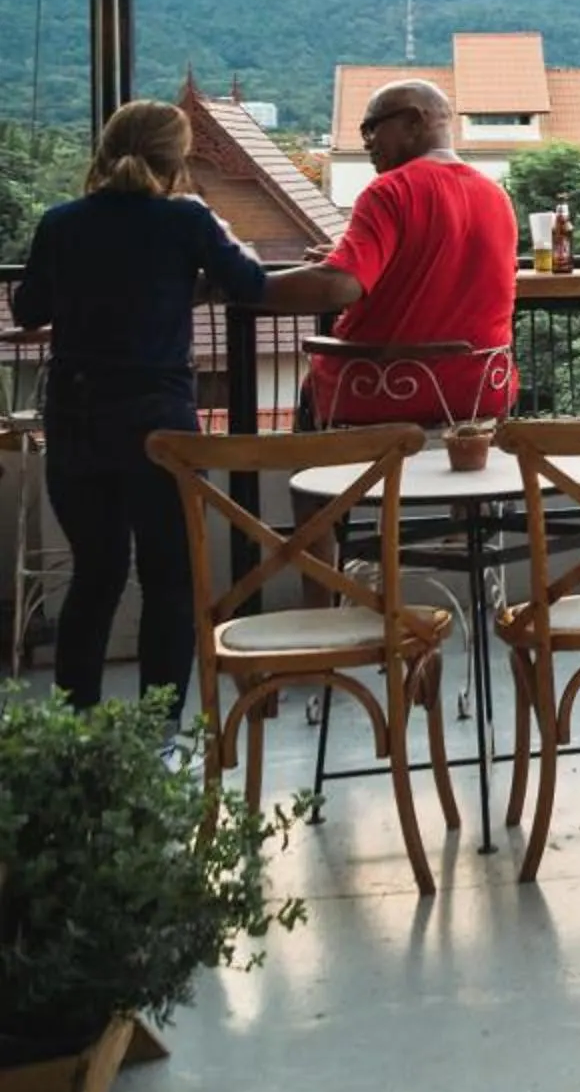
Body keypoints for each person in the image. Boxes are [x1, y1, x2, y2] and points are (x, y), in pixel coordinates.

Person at [8, 102, 356, 715]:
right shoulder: (186, 221)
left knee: (95, 576)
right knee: (169, 578)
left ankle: (79, 736)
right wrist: (201, 268)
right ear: (178, 157)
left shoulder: (62, 222)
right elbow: (249, 284)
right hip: (157, 420)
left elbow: (32, 308)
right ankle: (159, 731)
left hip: (77, 414)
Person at [305, 80, 522, 427]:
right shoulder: (495, 196)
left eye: (371, 127)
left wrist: (242, 282)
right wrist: (352, 257)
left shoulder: (390, 190)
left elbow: (339, 286)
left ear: (412, 121)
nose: (366, 142)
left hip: (380, 395)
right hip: (481, 395)